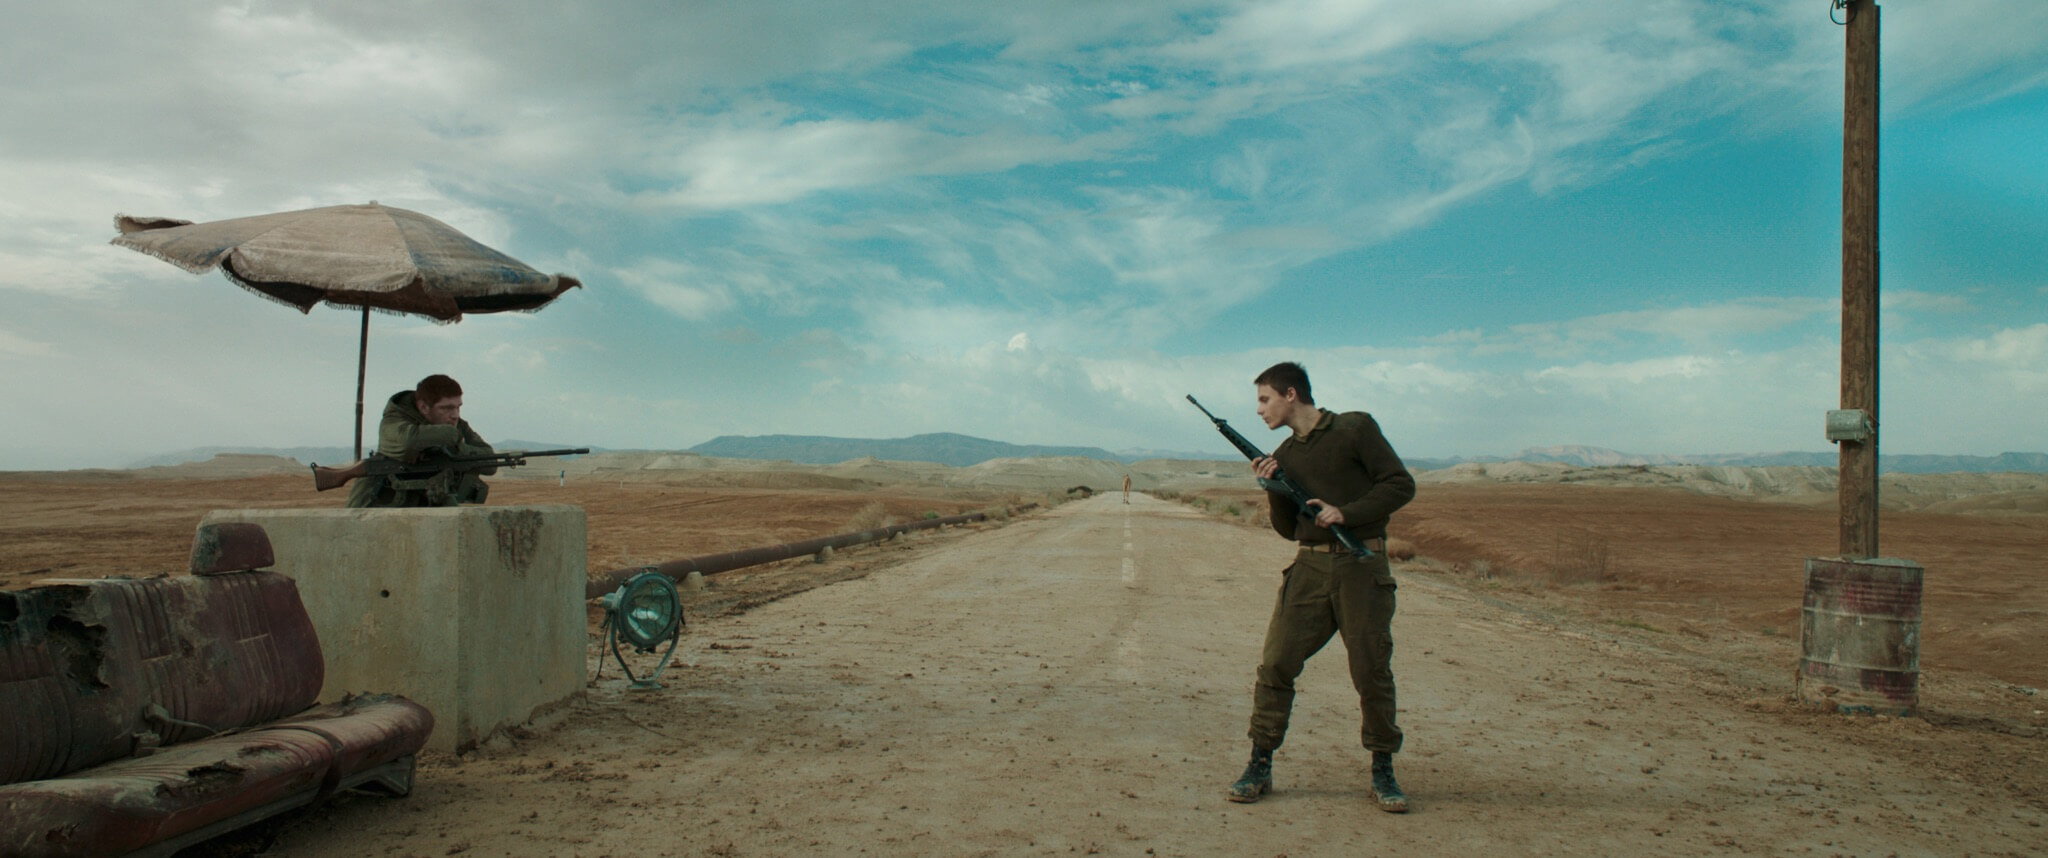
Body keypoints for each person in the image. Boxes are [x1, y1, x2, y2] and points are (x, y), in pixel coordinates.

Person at [1226, 361, 1417, 813]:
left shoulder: (1354, 428)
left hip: (1361, 566)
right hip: (1309, 567)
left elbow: (1399, 485)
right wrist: (1271, 486)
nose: (1259, 410)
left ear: (1291, 394)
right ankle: (1259, 764)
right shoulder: (1284, 454)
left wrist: (1345, 513)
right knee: (1276, 664)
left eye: (1265, 399)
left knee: (1371, 670)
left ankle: (1383, 769)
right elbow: (1288, 530)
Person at [346, 374, 497, 508]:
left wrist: (458, 450)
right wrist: (453, 436)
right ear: (424, 407)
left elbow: (490, 464)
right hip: (376, 505)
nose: (455, 415)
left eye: (458, 407)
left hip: (423, 509)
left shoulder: (456, 424)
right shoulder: (393, 421)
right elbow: (409, 443)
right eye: (446, 408)